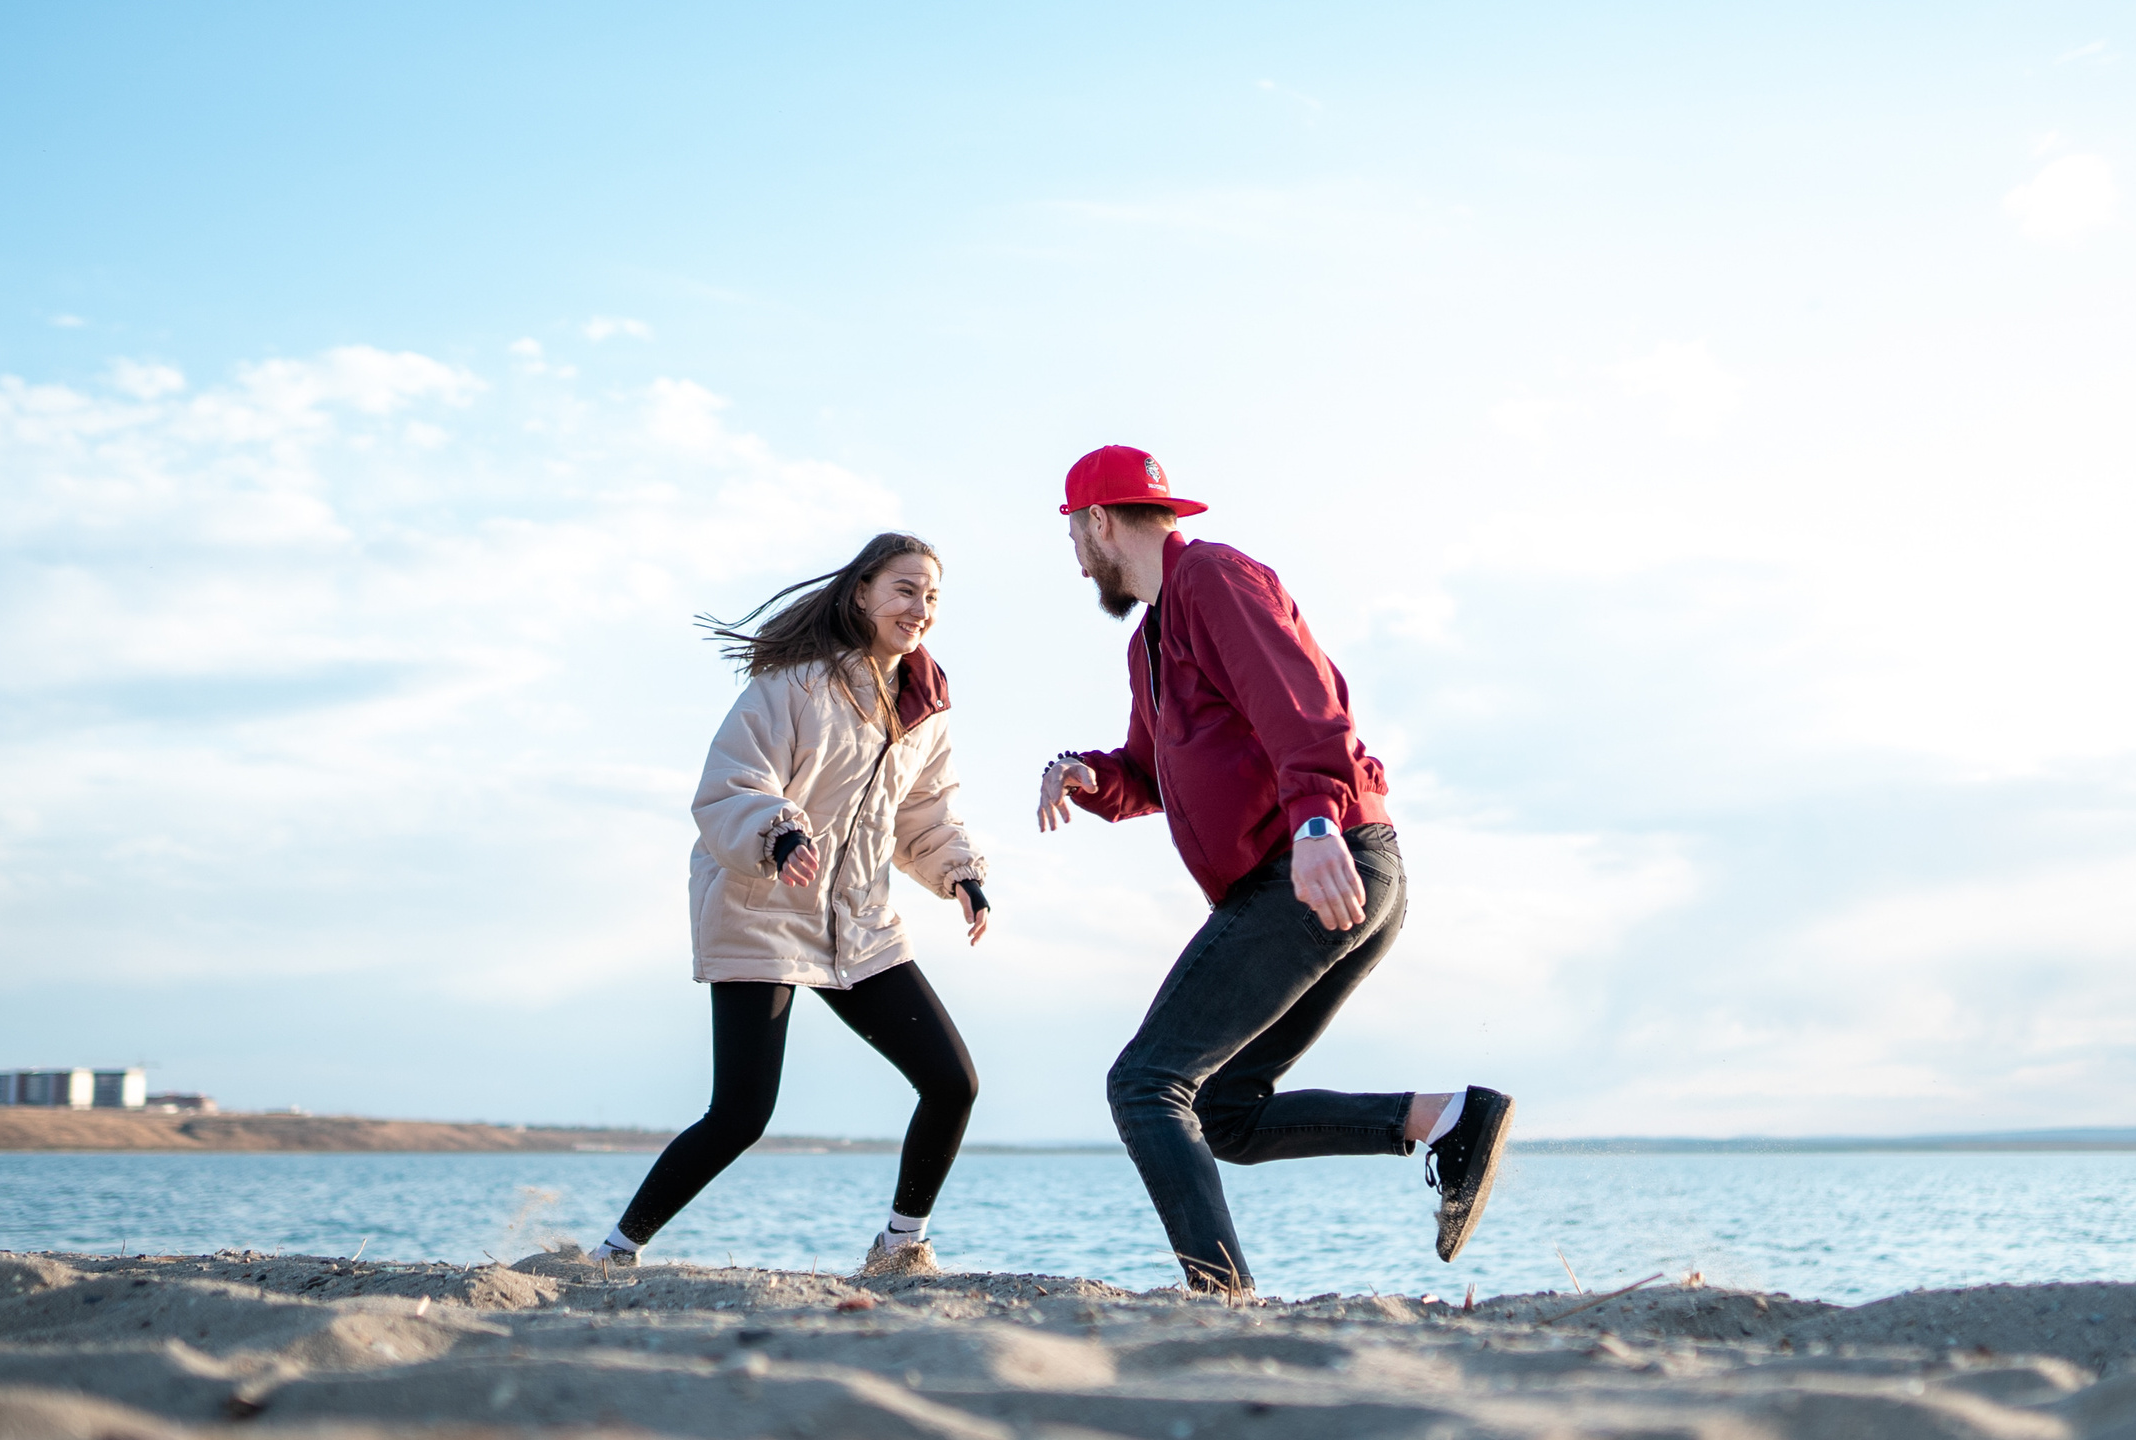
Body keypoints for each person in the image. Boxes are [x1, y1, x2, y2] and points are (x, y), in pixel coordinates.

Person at [1036, 444, 1514, 1294]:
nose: (1075, 560)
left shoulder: (1213, 579)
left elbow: (1302, 704)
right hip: (1307, 869)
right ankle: (1446, 1120)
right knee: (1224, 1112)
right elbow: (1148, 775)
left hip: (1314, 863)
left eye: (1074, 533)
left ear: (1100, 521)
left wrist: (1320, 822)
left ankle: (1220, 1297)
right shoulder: (1152, 639)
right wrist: (1087, 775)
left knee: (1145, 1083)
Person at [588, 533, 989, 1278]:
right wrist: (777, 836)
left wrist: (960, 874)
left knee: (951, 1081)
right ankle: (615, 1252)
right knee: (740, 1115)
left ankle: (900, 1247)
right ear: (863, 591)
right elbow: (731, 784)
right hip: (762, 909)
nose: (920, 608)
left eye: (931, 597)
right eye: (905, 589)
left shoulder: (923, 707)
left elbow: (926, 810)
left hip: (859, 925)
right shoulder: (795, 686)